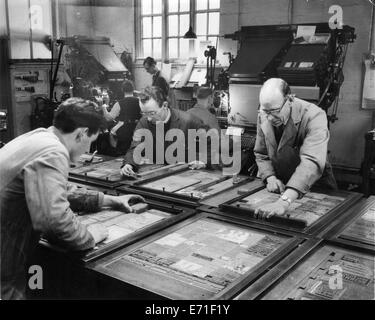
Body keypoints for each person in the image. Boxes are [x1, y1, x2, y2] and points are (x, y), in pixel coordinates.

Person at [0, 98, 144, 300]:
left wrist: (109, 200)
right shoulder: (53, 152)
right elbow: (54, 221)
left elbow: (56, 191)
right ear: (82, 133)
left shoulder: (40, 137)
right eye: (90, 142)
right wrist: (90, 236)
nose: (87, 150)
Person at [253, 78, 337, 219]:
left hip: (314, 186)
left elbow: (311, 162)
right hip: (281, 186)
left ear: (290, 99)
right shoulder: (264, 115)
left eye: (274, 111)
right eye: (265, 111)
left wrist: (284, 201)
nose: (270, 118)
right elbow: (261, 153)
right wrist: (270, 177)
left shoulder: (314, 115)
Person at [121, 86, 209, 177]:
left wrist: (203, 161)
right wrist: (129, 164)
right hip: (159, 175)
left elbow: (215, 146)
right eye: (144, 113)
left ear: (165, 105)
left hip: (189, 175)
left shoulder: (189, 121)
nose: (149, 118)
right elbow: (135, 147)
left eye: (152, 113)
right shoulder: (144, 122)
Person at [102, 80, 141, 155]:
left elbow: (109, 118)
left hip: (124, 129)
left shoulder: (119, 103)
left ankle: (115, 150)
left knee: (111, 132)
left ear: (122, 90)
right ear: (133, 89)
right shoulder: (140, 101)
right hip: (137, 127)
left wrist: (104, 108)